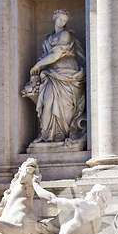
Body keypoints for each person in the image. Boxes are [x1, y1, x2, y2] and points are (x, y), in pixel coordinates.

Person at [25, 9, 86, 146]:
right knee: (48, 102)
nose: (62, 22)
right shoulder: (49, 37)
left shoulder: (65, 35)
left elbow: (55, 55)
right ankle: (47, 133)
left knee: (64, 106)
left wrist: (38, 65)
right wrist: (40, 66)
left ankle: (61, 135)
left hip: (67, 73)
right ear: (55, 18)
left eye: (64, 21)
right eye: (60, 19)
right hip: (51, 74)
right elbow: (46, 55)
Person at [33, 174, 111, 234]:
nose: (87, 193)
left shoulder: (83, 205)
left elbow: (51, 200)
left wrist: (35, 184)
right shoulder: (98, 220)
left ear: (95, 194)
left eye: (90, 191)